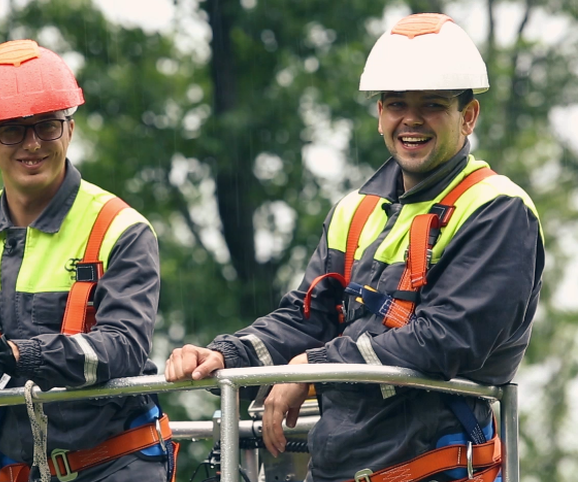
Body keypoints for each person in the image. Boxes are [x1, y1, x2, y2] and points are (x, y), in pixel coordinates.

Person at [165, 13, 543, 482]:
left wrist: (312, 369)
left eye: (432, 105)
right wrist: (228, 355)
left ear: (468, 116)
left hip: (437, 466)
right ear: (379, 112)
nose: (411, 119)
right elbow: (307, 319)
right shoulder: (357, 210)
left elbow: (447, 340)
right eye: (396, 102)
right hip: (340, 465)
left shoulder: (497, 210)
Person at [0, 39, 174, 482]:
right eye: (13, 129)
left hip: (118, 466)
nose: (32, 145)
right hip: (12, 471)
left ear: (70, 129)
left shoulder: (120, 229)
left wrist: (16, 356)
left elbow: (123, 348)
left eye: (47, 126)